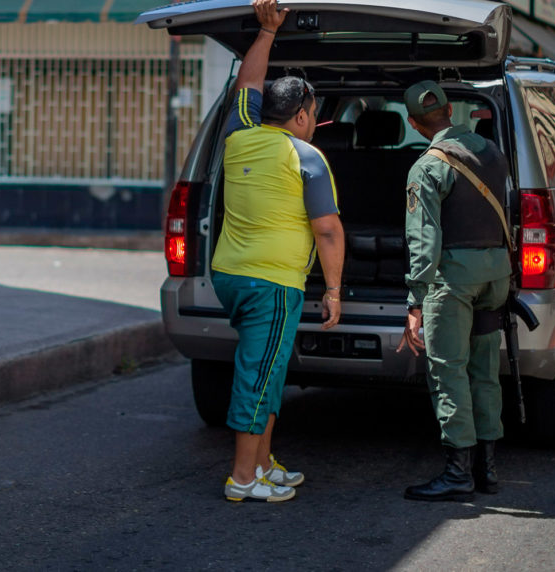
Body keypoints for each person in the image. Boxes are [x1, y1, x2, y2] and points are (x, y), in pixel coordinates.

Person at [211, 0, 345, 503]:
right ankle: (243, 477)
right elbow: (328, 231)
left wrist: (267, 32)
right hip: (273, 285)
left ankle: (264, 465)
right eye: (314, 115)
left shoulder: (239, 133)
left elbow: (247, 82)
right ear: (302, 115)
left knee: (269, 370)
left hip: (232, 276)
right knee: (259, 374)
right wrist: (334, 291)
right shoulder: (306, 156)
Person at [397, 81, 512, 502]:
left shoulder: (427, 167)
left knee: (449, 371)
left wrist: (415, 301)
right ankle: (488, 469)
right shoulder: (492, 151)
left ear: (413, 124)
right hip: (496, 275)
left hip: (455, 280)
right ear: (449, 111)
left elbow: (424, 241)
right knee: (485, 370)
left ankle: (458, 472)